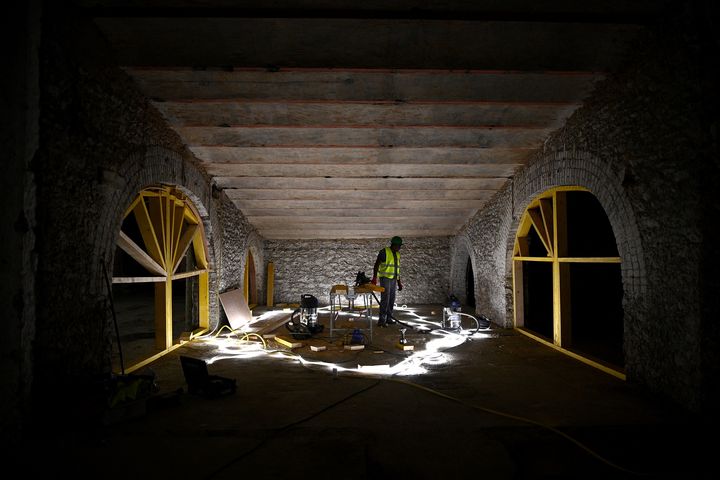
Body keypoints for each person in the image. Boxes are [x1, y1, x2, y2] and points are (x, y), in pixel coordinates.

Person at [371, 236, 404, 327]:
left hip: (393, 279)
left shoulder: (397, 254)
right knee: (385, 299)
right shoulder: (384, 252)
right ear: (394, 244)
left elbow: (397, 269)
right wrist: (374, 278)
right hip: (385, 278)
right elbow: (376, 264)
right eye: (398, 246)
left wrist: (399, 282)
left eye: (400, 246)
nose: (399, 248)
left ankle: (389, 318)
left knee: (391, 299)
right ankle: (382, 320)